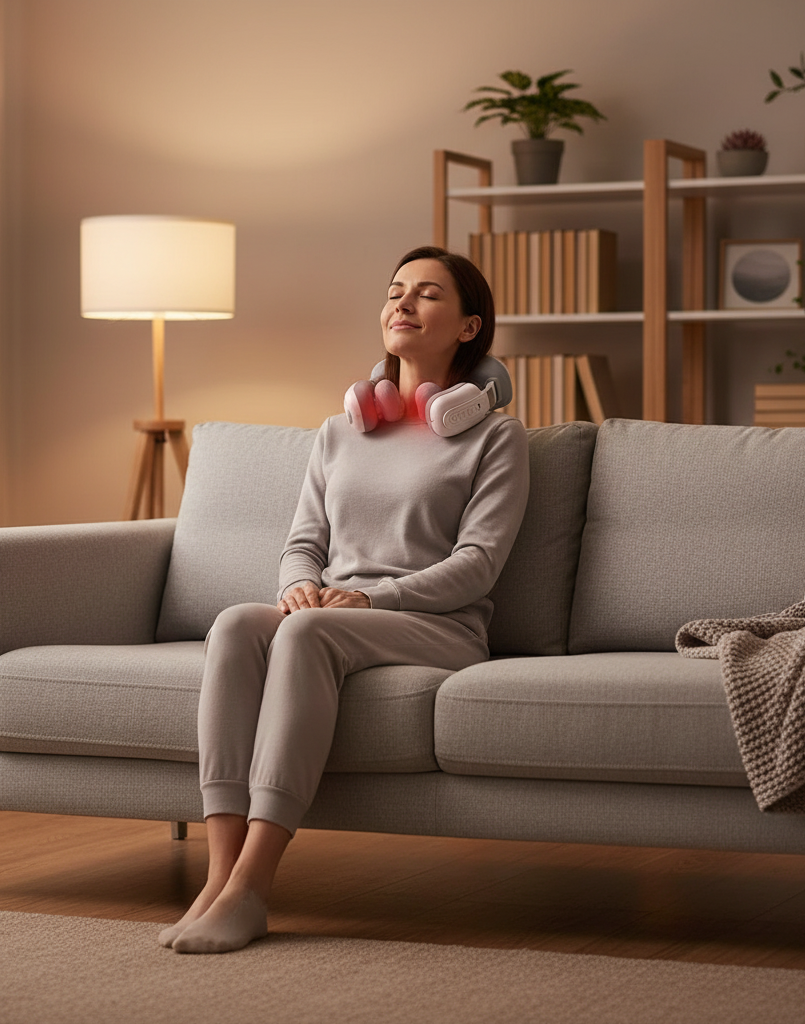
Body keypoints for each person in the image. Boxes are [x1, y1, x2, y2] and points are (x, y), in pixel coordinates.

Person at [160, 245, 530, 954]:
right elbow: (303, 542)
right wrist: (298, 585)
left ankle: (253, 888)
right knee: (238, 624)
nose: (403, 303)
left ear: (468, 328)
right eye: (396, 291)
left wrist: (368, 602)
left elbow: (477, 567)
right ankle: (217, 877)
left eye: (427, 294)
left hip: (437, 625)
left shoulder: (496, 437)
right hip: (335, 612)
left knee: (304, 637)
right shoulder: (340, 432)